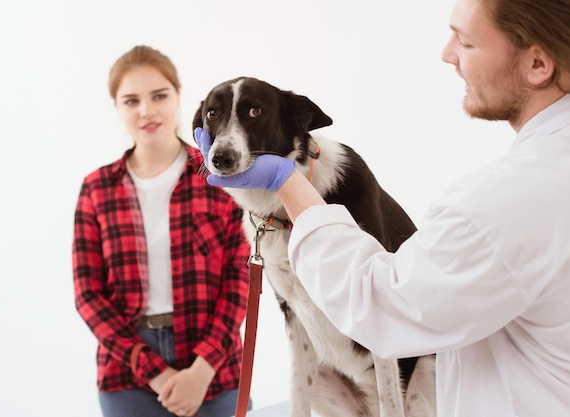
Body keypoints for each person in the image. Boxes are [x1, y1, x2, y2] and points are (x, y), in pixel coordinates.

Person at [195, 0, 570, 415]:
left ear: (538, 63)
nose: (447, 54)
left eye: (465, 41)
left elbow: (381, 310)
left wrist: (287, 183)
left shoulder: (505, 202)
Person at [72, 45, 251, 417]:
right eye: (131, 100)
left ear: (180, 97)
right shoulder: (96, 189)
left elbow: (242, 277)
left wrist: (201, 371)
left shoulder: (222, 177)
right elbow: (88, 294)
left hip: (216, 370)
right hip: (128, 372)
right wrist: (154, 372)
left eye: (159, 96)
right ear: (117, 107)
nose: (147, 110)